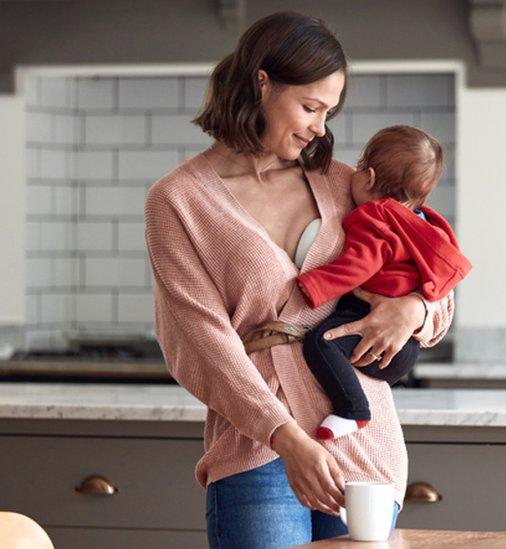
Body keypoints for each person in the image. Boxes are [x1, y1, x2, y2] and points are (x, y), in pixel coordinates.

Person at [144, 11, 454, 548]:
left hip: (364, 445)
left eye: (328, 112)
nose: (320, 127)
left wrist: (416, 312)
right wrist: (287, 439)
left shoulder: (343, 183)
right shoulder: (179, 201)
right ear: (262, 83)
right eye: (310, 107)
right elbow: (202, 343)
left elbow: (434, 273)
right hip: (258, 447)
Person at [295, 125, 471, 440]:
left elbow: (358, 266)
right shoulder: (425, 223)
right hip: (405, 349)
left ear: (370, 177)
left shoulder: (375, 217)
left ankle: (353, 410)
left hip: (367, 326)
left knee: (320, 342)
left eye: (360, 167)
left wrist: (313, 286)